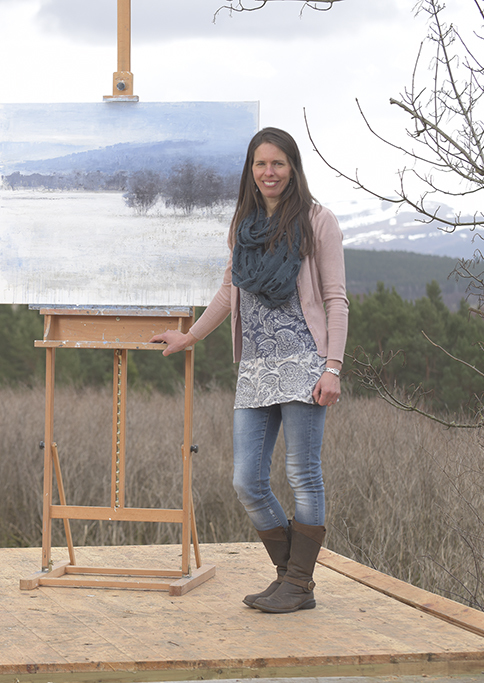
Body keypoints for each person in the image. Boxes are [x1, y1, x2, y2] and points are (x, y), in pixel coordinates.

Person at [151, 127, 348, 614]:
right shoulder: (244, 224)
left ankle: (297, 583)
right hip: (257, 368)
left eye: (278, 163)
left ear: (293, 168)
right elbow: (228, 292)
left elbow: (335, 299)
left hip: (305, 363)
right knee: (247, 481)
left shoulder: (318, 221)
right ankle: (292, 580)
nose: (269, 172)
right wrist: (191, 336)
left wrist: (333, 367)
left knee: (303, 474)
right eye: (261, 164)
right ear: (251, 170)